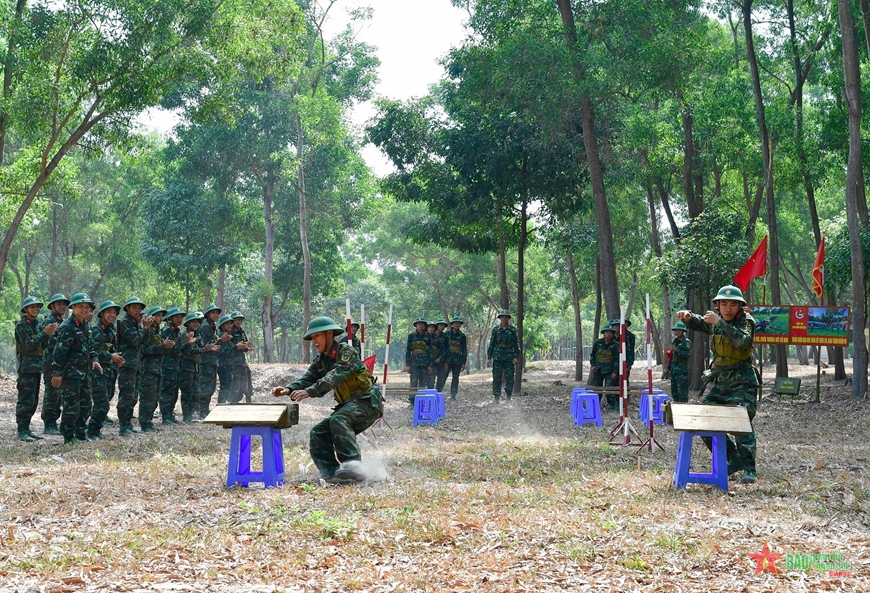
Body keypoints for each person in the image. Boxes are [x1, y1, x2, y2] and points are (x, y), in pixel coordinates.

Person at [272, 316, 382, 484]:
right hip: (350, 406)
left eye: (317, 336)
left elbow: (334, 377)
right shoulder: (321, 361)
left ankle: (353, 467)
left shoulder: (347, 352)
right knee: (318, 432)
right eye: (312, 338)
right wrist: (289, 389)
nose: (314, 341)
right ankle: (332, 473)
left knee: (338, 419)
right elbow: (308, 378)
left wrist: (310, 391)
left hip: (367, 403)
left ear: (329, 334)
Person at [676, 284, 759, 485]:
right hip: (721, 383)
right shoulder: (715, 321)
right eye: (724, 304)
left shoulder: (746, 322)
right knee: (703, 420)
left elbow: (743, 342)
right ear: (718, 305)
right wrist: (688, 317)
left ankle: (750, 469)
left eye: (733, 304)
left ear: (740, 307)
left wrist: (719, 321)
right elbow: (700, 323)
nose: (728, 308)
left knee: (741, 420)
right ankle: (733, 457)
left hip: (743, 383)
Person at [51, 293, 102, 445]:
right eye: (81, 307)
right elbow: (59, 353)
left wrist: (95, 360)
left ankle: (80, 433)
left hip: (84, 373)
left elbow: (91, 347)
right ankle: (68, 436)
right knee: (71, 407)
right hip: (70, 375)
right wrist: (58, 373)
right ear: (73, 307)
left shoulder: (86, 325)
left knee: (86, 405)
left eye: (87, 307)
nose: (85, 309)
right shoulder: (68, 327)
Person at [15, 296, 57, 441]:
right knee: (25, 400)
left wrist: (48, 335)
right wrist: (44, 333)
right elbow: (28, 345)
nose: (36, 309)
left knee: (33, 401)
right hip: (26, 368)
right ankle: (22, 430)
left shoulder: (38, 324)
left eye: (38, 307)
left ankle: (27, 429)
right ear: (26, 309)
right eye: (32, 307)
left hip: (37, 367)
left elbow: (42, 345)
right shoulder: (21, 325)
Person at [117, 296, 155, 436]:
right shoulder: (124, 323)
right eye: (134, 307)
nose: (137, 310)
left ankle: (128, 424)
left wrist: (146, 327)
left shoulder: (136, 323)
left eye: (139, 308)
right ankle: (123, 426)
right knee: (126, 395)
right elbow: (135, 340)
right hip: (127, 364)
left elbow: (145, 341)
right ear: (127, 308)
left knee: (133, 396)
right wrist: (144, 327)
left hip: (136, 364)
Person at [88, 300, 124, 440]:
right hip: (97, 371)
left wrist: (118, 359)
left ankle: (96, 431)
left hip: (109, 371)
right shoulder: (95, 330)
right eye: (109, 312)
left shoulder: (112, 330)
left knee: (106, 400)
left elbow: (113, 349)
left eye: (114, 313)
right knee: (101, 403)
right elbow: (93, 351)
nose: (112, 315)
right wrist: (111, 356)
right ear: (102, 314)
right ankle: (92, 431)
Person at [139, 305, 172, 432]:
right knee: (148, 397)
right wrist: (161, 346)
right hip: (147, 368)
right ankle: (145, 423)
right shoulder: (147, 330)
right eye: (157, 315)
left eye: (161, 315)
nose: (160, 318)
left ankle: (149, 422)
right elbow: (145, 349)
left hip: (157, 368)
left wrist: (165, 347)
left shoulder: (158, 331)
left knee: (155, 397)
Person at [40, 293, 69, 435]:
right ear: (52, 306)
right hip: (51, 364)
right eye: (59, 304)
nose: (62, 306)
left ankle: (53, 421)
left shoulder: (61, 322)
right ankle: (49, 423)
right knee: (52, 393)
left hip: (60, 364)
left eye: (64, 304)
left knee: (58, 394)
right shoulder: (50, 322)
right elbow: (51, 344)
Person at [196, 304, 230, 417]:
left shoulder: (212, 326)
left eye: (217, 313)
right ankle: (203, 411)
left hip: (212, 361)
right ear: (208, 314)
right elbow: (207, 345)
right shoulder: (205, 326)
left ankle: (205, 410)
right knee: (205, 386)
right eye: (213, 313)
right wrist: (221, 340)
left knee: (210, 387)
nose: (215, 315)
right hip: (206, 361)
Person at [159, 307, 188, 424]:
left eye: (181, 317)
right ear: (170, 318)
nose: (179, 319)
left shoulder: (176, 331)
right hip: (167, 365)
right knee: (167, 392)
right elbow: (172, 348)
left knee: (174, 392)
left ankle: (170, 415)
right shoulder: (167, 331)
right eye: (176, 317)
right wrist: (184, 342)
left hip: (175, 366)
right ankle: (165, 416)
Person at [180, 312, 209, 422]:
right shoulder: (185, 335)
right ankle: (186, 416)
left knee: (196, 392)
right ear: (188, 323)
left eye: (197, 322)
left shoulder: (198, 335)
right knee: (187, 391)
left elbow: (202, 347)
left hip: (196, 366)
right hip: (186, 366)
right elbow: (187, 350)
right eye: (193, 322)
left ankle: (191, 414)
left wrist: (207, 348)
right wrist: (203, 350)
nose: (196, 324)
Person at [487, 309, 520, 403]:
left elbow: (516, 344)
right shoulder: (495, 330)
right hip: (497, 357)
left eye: (506, 317)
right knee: (496, 377)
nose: (504, 319)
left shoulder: (512, 330)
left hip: (509, 357)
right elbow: (492, 344)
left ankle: (508, 397)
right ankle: (496, 397)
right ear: (500, 318)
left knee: (509, 378)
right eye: (502, 317)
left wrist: (516, 357)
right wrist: (489, 358)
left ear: (508, 319)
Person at [589, 326, 620, 411]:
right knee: (597, 388)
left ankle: (611, 406)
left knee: (609, 388)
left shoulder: (615, 345)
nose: (608, 334)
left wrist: (615, 372)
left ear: (613, 334)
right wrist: (593, 365)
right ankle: (595, 405)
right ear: (603, 333)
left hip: (609, 370)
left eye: (610, 332)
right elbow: (592, 355)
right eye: (606, 332)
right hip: (598, 369)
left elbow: (617, 360)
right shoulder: (598, 343)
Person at [229, 311, 254, 403]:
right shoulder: (230, 331)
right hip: (234, 361)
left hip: (242, 360)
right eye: (235, 320)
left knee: (247, 377)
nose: (238, 322)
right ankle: (233, 401)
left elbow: (246, 343)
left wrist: (248, 346)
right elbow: (230, 347)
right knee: (235, 381)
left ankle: (249, 398)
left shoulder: (242, 331)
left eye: (239, 320)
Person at [404, 317, 431, 395]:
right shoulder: (411, 336)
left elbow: (430, 351)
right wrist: (408, 364)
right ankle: (412, 399)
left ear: (424, 325)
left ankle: (421, 399)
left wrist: (430, 365)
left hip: (424, 363)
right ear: (416, 325)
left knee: (423, 382)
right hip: (414, 363)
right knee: (413, 381)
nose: (420, 325)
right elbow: (408, 350)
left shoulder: (428, 336)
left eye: (422, 324)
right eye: (418, 324)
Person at [444, 316, 467, 401]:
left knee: (455, 377)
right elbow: (443, 347)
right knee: (443, 376)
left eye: (458, 323)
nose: (457, 324)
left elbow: (464, 349)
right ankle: (438, 393)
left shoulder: (462, 336)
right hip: (447, 360)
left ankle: (453, 395)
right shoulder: (446, 334)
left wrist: (464, 362)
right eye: (455, 323)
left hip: (457, 360)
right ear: (452, 324)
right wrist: (444, 360)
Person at [668, 320, 691, 403]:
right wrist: (668, 367)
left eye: (679, 330)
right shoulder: (675, 341)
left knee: (682, 392)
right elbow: (672, 356)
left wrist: (676, 350)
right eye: (676, 330)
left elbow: (687, 355)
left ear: (683, 331)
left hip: (682, 371)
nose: (677, 332)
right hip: (674, 370)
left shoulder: (686, 342)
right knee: (674, 392)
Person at [215, 314, 236, 404]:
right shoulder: (221, 336)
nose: (230, 325)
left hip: (228, 364)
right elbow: (224, 350)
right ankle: (221, 403)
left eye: (231, 323)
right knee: (225, 385)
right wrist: (237, 347)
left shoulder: (228, 335)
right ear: (222, 325)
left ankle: (223, 402)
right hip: (223, 364)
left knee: (228, 384)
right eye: (227, 324)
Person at [433, 318, 450, 393]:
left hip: (442, 361)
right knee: (431, 378)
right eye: (440, 325)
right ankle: (430, 394)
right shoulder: (431, 335)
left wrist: (444, 360)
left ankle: (438, 393)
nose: (442, 327)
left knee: (441, 379)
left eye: (443, 326)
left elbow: (446, 350)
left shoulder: (446, 337)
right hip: (432, 361)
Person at [425, 321, 439, 389]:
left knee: (431, 379)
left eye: (433, 327)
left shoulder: (437, 338)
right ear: (427, 328)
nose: (431, 329)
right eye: (430, 327)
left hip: (434, 362)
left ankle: (430, 395)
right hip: (423, 362)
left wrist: (440, 358)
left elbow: (444, 350)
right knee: (422, 379)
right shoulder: (423, 337)